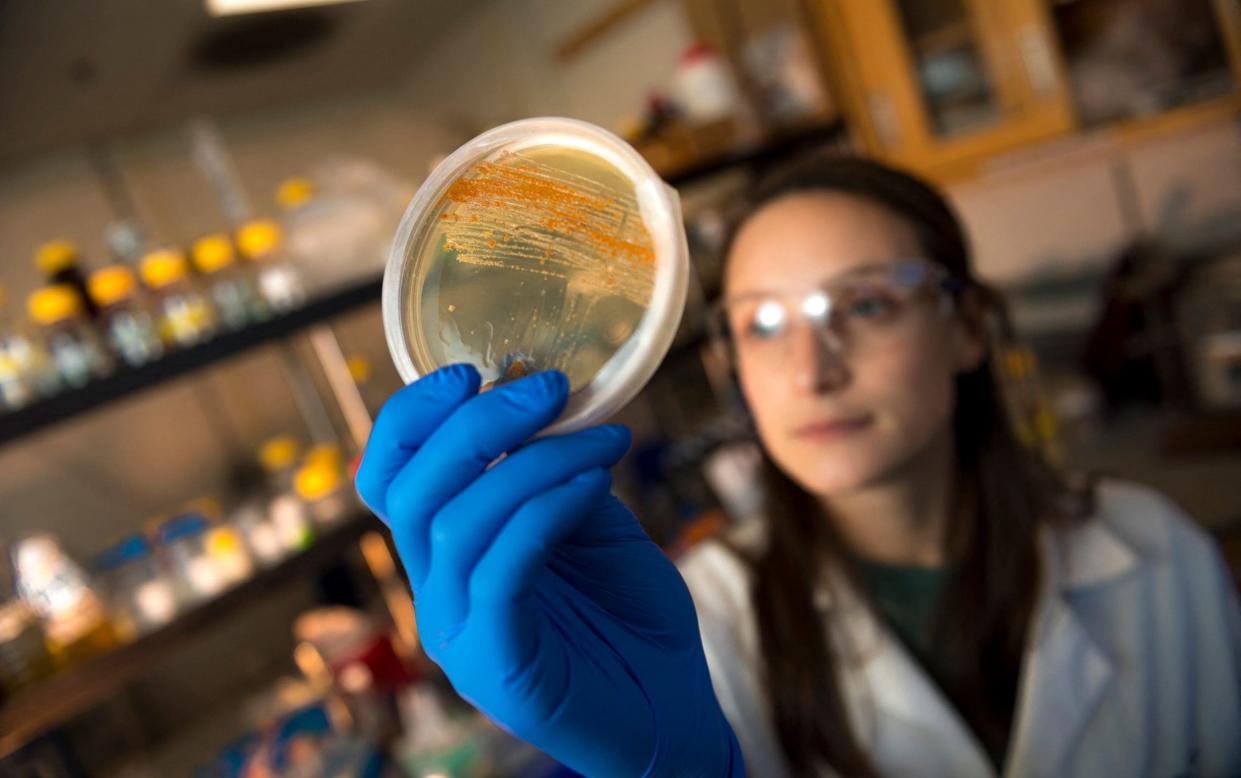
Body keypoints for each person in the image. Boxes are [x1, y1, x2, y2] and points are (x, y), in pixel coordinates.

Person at [355, 155, 1241, 777]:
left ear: (967, 327)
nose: (811, 370)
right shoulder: (691, 624)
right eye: (763, 324)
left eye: (862, 304)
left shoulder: (1156, 552)